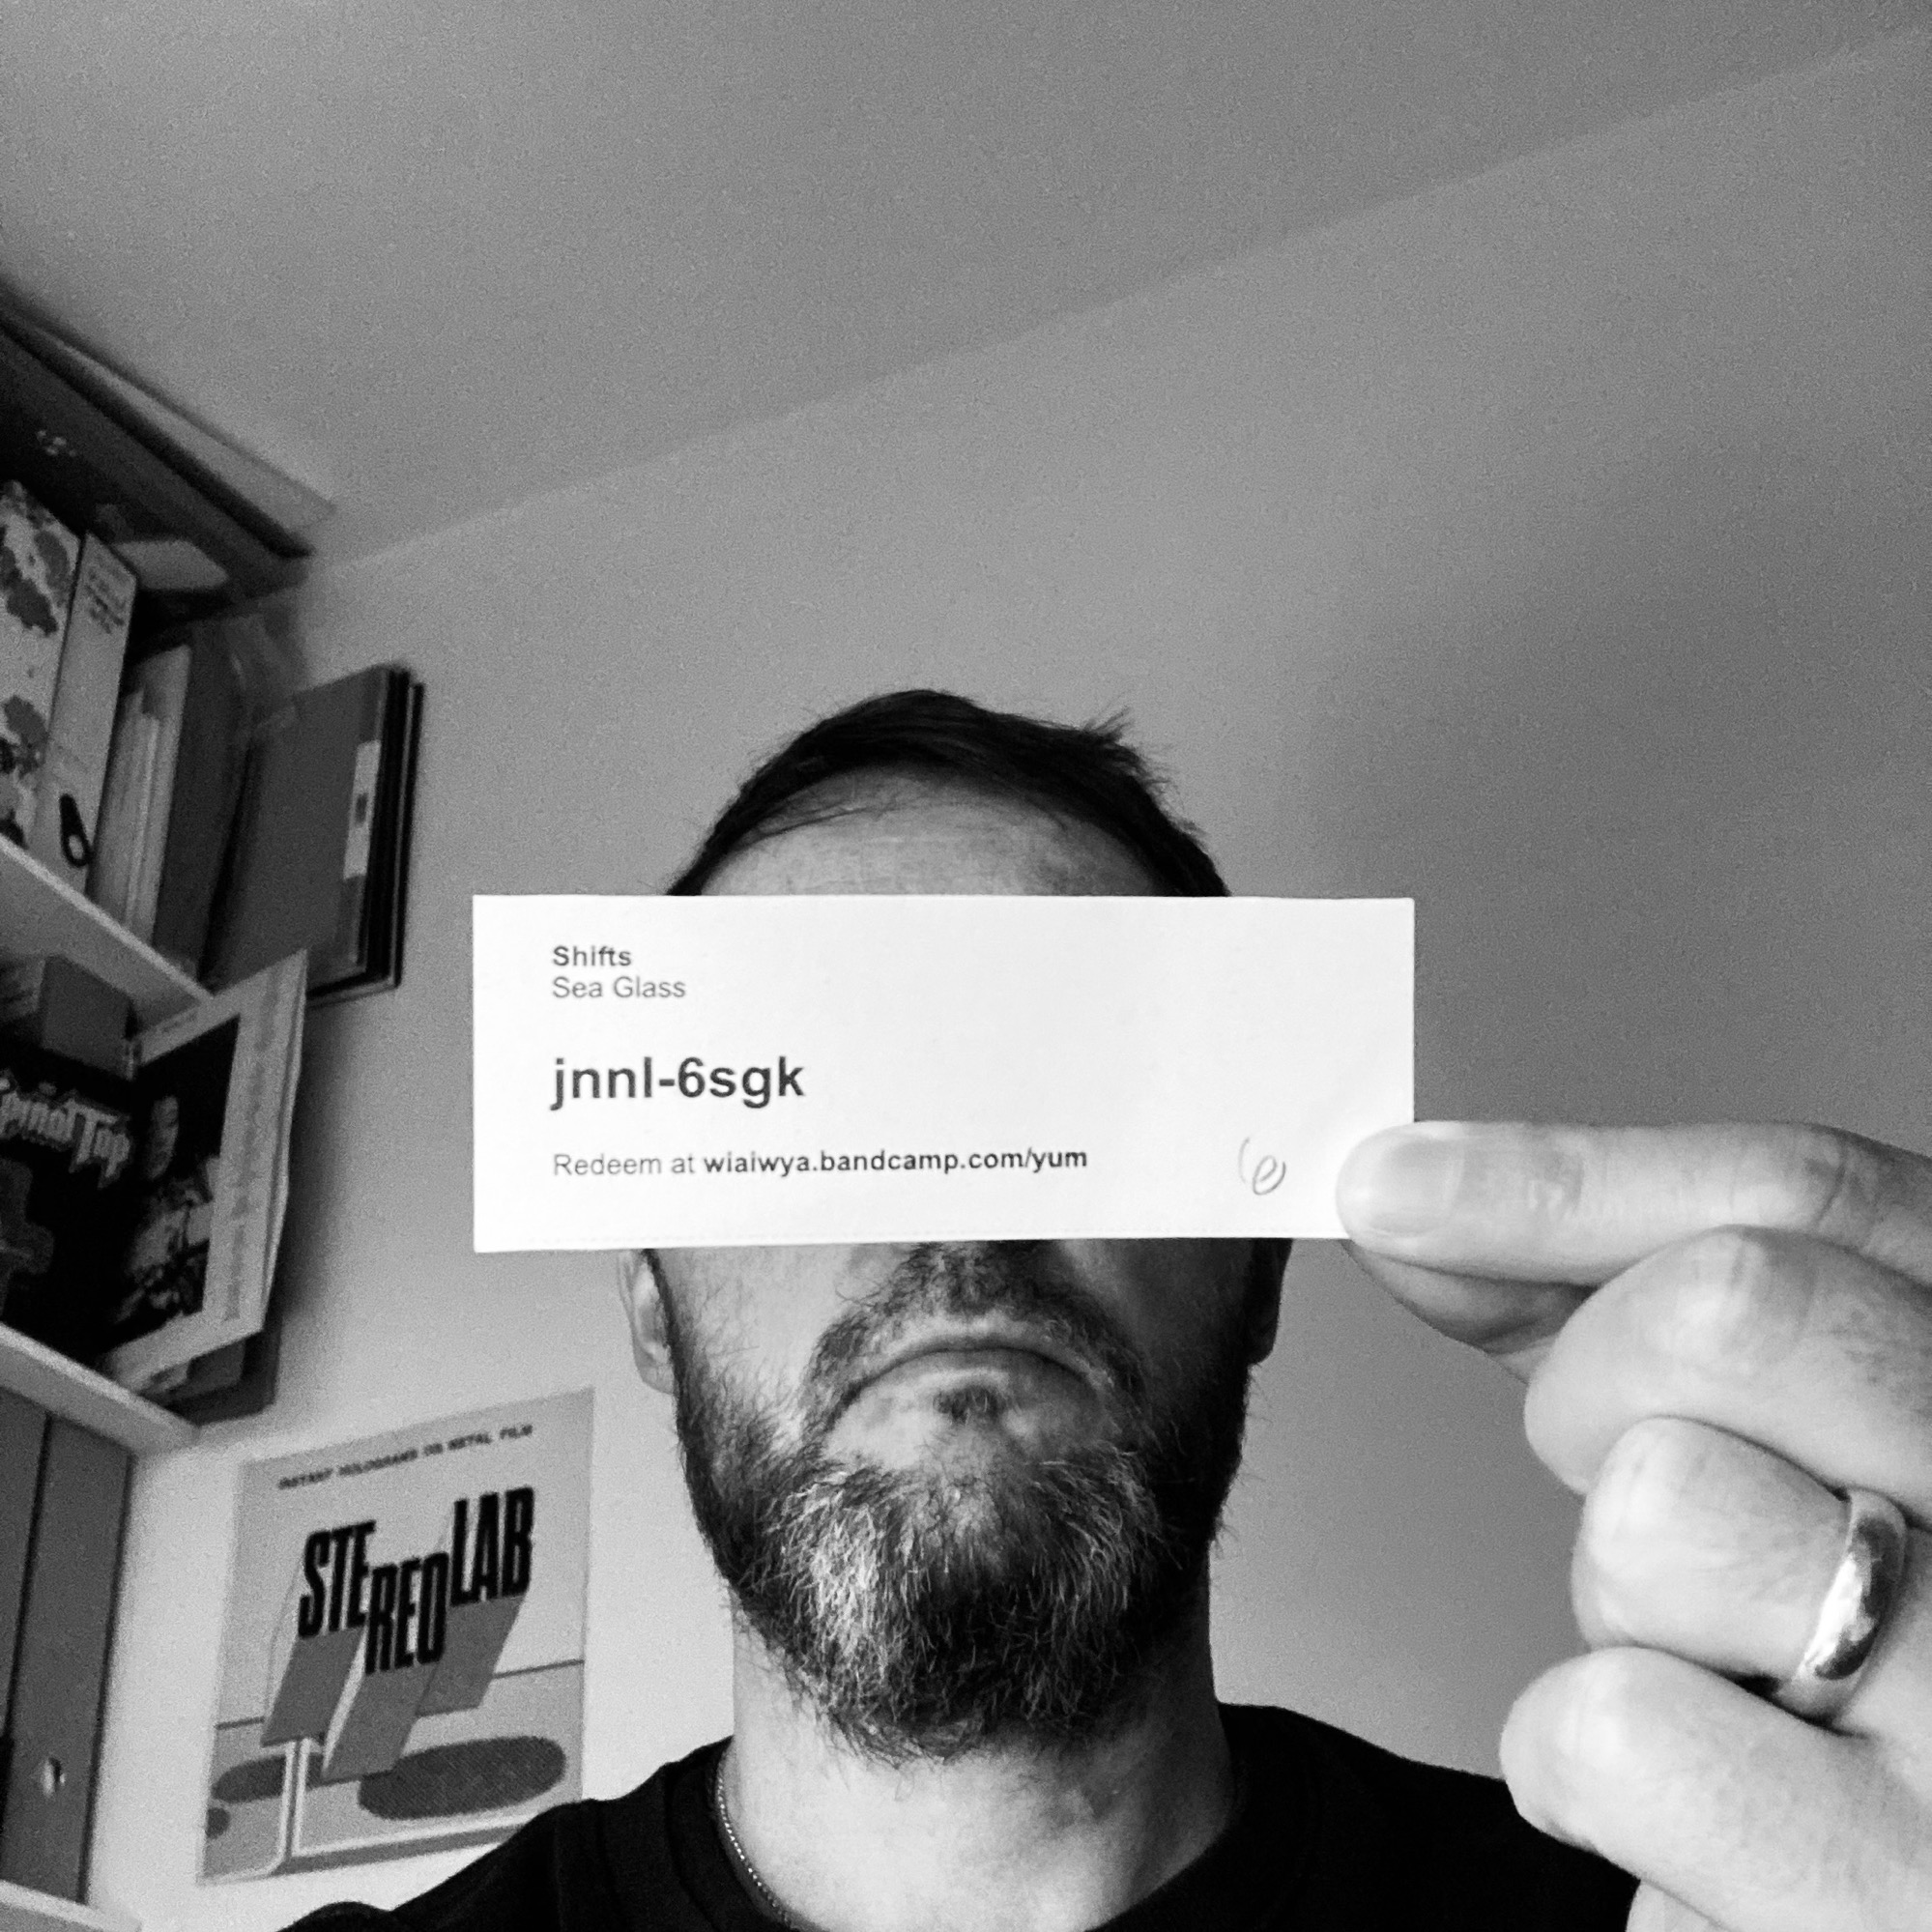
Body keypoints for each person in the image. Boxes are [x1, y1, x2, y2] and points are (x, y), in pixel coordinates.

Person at [295, 691, 1932, 1931]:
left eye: (1067, 1093)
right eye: (804, 1095)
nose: (954, 1213)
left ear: (1257, 1262)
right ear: (652, 1301)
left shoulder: (1689, 1908)